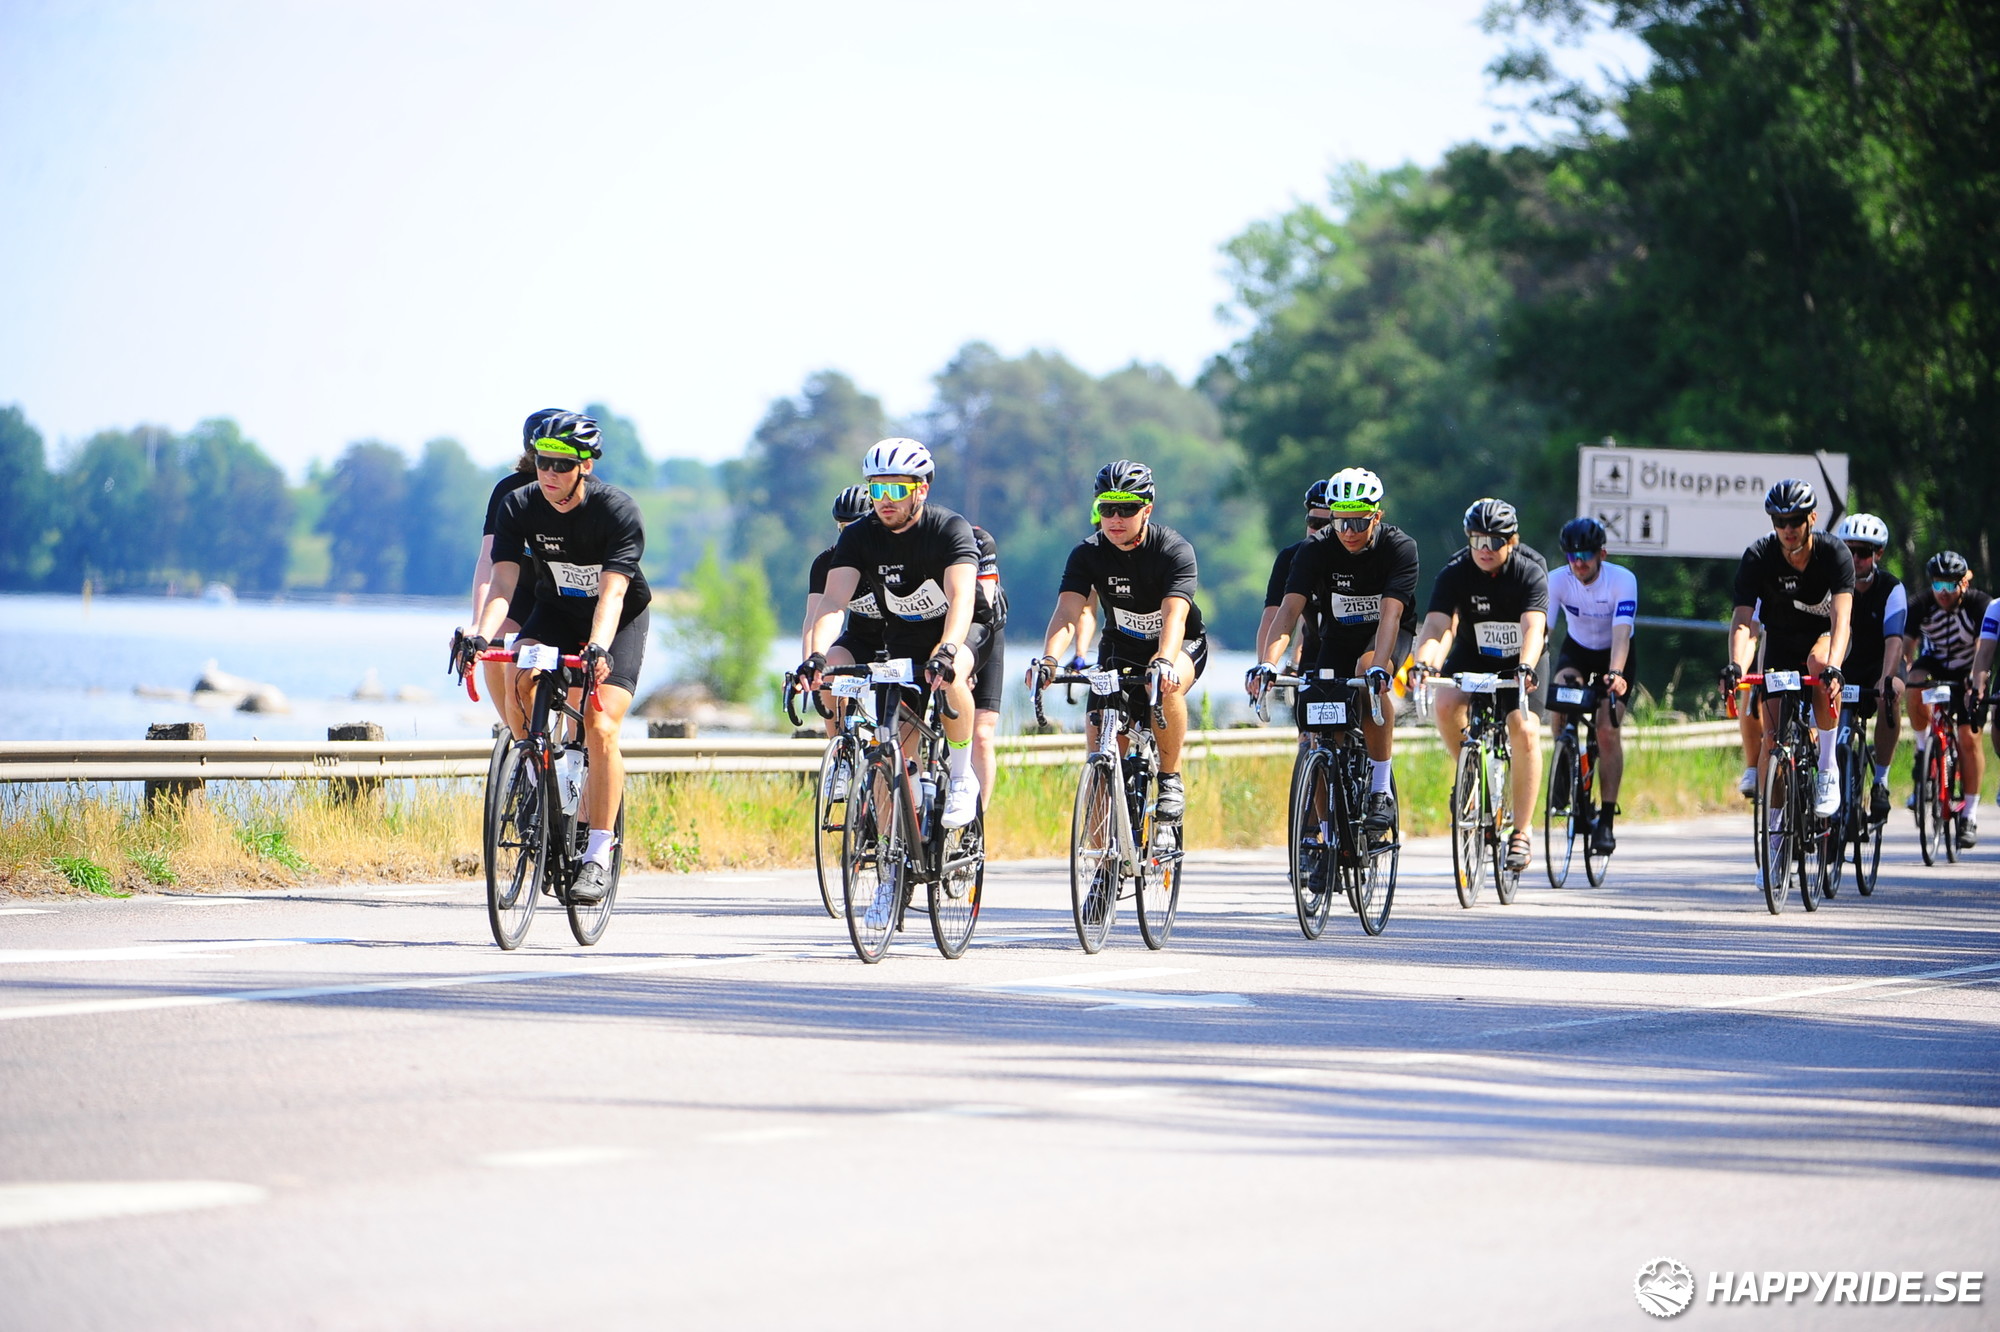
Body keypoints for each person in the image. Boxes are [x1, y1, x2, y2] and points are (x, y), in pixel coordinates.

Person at [458, 411, 651, 904]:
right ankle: (546, 775)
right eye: (543, 461)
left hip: (615, 620)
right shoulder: (519, 503)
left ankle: (599, 853)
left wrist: (599, 647)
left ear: (585, 466)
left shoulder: (616, 511)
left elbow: (612, 594)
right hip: (556, 611)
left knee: (600, 726)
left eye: (562, 465)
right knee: (520, 676)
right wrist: (480, 634)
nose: (549, 473)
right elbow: (502, 582)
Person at [798, 439, 994, 837]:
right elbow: (833, 602)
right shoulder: (859, 535)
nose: (885, 499)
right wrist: (817, 655)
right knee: (895, 748)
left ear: (922, 489)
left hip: (963, 625)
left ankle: (961, 776)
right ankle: (898, 844)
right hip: (905, 633)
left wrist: (948, 650)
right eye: (877, 488)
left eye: (897, 488)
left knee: (951, 672)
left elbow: (960, 599)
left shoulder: (948, 528)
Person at [1028, 460, 1206, 824]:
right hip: (1120, 648)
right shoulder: (1087, 554)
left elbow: (1174, 616)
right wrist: (1049, 660)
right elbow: (1068, 613)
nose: (1115, 519)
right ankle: (1098, 857)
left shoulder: (1173, 550)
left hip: (1178, 643)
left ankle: (1170, 779)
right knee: (1100, 767)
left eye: (1127, 509)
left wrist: (1164, 661)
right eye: (1107, 508)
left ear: (1147, 510)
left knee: (1164, 685)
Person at [1250, 467, 1415, 832]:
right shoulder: (1315, 549)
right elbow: (1287, 613)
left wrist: (1380, 668)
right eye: (1340, 522)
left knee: (1367, 672)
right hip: (1338, 636)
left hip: (1385, 634)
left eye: (1358, 522)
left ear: (1376, 516)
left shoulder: (1399, 547)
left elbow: (1390, 616)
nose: (1349, 532)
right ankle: (1326, 833)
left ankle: (1379, 789)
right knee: (1322, 731)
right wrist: (1268, 664)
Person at [1411, 498, 1549, 873]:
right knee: (1444, 703)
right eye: (1477, 540)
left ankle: (1521, 832)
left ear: (1511, 541)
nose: (1485, 549)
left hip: (1521, 659)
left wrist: (1526, 666)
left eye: (1494, 542)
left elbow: (1534, 628)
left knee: (1524, 730)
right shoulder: (1455, 572)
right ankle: (1471, 776)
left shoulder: (1529, 570)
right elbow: (1437, 626)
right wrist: (1425, 663)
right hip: (1474, 654)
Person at [1721, 479, 1853, 819]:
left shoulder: (1834, 553)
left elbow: (1841, 619)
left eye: (1795, 520)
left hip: (1824, 636)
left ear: (1812, 518)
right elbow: (1743, 621)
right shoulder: (1758, 556)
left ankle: (1827, 768)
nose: (1788, 528)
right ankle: (1776, 832)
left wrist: (1835, 666)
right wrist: (1735, 666)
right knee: (1773, 738)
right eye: (1780, 521)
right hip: (1781, 640)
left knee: (1819, 663)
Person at [469, 408, 564, 736]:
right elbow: (488, 561)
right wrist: (478, 624)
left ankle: (575, 745)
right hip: (522, 592)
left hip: (569, 595)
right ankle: (521, 740)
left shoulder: (581, 493)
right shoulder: (509, 492)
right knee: (495, 645)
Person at [1546, 516, 1638, 854]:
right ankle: (1564, 768)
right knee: (1559, 698)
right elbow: (1544, 631)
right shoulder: (1557, 580)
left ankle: (1607, 821)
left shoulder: (1622, 580)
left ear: (1602, 554)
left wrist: (1615, 673)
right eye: (1572, 556)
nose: (1579, 563)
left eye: (1585, 555)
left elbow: (1622, 633)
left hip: (1615, 653)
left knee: (1606, 730)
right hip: (1578, 652)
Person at [1904, 550, 1989, 847]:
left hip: (1970, 668)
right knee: (1914, 681)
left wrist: (1975, 678)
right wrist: (1904, 670)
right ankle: (1923, 749)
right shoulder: (1921, 604)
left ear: (1963, 583)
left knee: (1967, 738)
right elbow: (1907, 646)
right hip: (1936, 663)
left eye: (1950, 585)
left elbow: (1982, 645)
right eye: (1937, 584)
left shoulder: (1979, 604)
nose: (1942, 592)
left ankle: (1969, 814)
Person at [802, 485, 883, 797]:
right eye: (842, 528)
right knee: (830, 666)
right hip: (862, 638)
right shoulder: (828, 562)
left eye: (855, 528)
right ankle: (841, 756)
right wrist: (810, 666)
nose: (848, 536)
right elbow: (814, 619)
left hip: (902, 640)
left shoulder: (891, 556)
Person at [1829, 513, 1906, 822]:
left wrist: (1887, 678)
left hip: (1879, 666)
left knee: (1892, 693)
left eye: (1863, 552)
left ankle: (1881, 781)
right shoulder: (1832, 584)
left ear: (1878, 554)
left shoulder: (1891, 588)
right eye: (1848, 551)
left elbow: (1895, 640)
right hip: (1842, 666)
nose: (1855, 558)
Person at [1250, 479, 1334, 681]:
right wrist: (1264, 667)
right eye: (1314, 524)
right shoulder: (1290, 557)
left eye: (1327, 525)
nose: (1320, 531)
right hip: (1314, 647)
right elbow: (1273, 616)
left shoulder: (1352, 557)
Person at [968, 524, 1008, 802]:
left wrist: (967, 663)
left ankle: (977, 819)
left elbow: (981, 609)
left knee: (981, 734)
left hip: (984, 629)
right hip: (930, 632)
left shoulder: (979, 541)